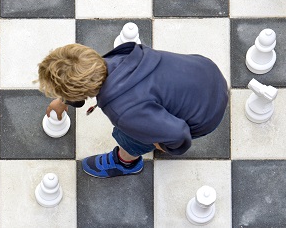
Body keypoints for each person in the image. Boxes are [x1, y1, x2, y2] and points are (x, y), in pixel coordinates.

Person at [38, 42, 228, 178]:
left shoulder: (123, 111)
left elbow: (179, 133)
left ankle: (125, 163)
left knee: (129, 137)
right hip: (207, 71)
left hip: (206, 116)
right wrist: (64, 101)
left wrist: (163, 146)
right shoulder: (119, 57)